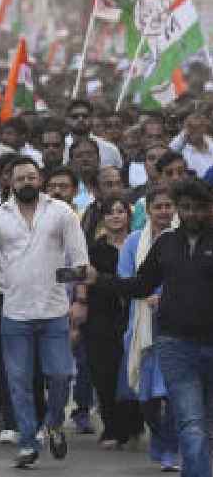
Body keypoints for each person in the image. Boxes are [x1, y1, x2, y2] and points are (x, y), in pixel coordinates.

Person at [85, 178, 213, 477]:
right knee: (191, 422)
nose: (192, 214)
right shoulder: (166, 243)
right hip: (175, 345)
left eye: (199, 209)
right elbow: (140, 284)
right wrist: (99, 280)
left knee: (205, 424)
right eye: (186, 208)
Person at [0, 156, 89, 468]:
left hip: (55, 311)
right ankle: (27, 443)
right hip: (14, 312)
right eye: (20, 178)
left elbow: (78, 263)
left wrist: (76, 296)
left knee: (61, 375)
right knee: (19, 381)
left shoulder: (62, 212)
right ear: (10, 183)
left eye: (31, 177)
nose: (26, 182)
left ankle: (53, 423)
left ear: (40, 180)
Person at [115, 185, 181, 472]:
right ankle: (158, 434)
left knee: (173, 393)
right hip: (140, 324)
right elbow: (125, 277)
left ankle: (171, 448)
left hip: (175, 324)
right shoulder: (133, 241)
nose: (164, 212)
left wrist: (165, 296)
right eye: (159, 206)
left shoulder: (181, 240)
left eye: (169, 206)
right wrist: (146, 296)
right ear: (149, 210)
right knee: (146, 398)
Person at [83, 196, 143, 449]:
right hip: (101, 316)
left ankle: (134, 425)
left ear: (129, 216)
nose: (116, 216)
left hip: (133, 314)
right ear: (103, 218)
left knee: (132, 370)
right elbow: (84, 281)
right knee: (104, 373)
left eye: (121, 211)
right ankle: (111, 427)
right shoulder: (94, 249)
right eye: (110, 212)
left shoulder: (140, 245)